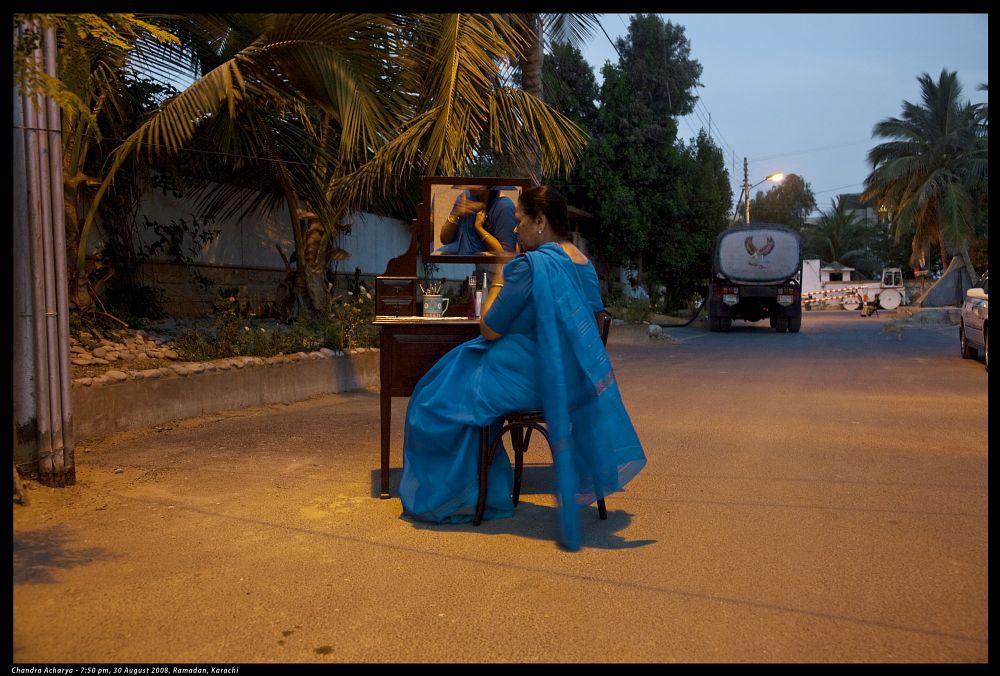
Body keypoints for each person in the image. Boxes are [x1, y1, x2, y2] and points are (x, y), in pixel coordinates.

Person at [400, 185, 646, 551]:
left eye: (519, 221)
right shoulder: (584, 264)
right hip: (574, 379)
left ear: (541, 221)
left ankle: (463, 496)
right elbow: (589, 329)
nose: (515, 230)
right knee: (458, 379)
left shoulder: (528, 267)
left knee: (431, 397)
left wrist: (500, 270)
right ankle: (484, 487)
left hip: (530, 378)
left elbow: (490, 327)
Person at [436, 187, 517, 255]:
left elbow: (505, 255)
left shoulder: (504, 207)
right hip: (457, 264)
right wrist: (455, 214)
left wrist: (479, 228)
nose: (469, 185)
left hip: (485, 267)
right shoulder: (466, 197)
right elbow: (445, 239)